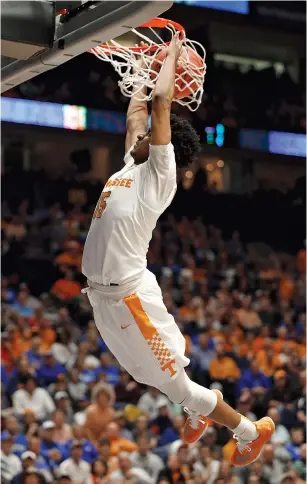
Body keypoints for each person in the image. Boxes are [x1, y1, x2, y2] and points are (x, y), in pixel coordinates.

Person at [82, 33, 274, 467]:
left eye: (149, 134)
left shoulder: (159, 174)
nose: (141, 133)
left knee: (179, 385)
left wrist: (170, 50)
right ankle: (196, 410)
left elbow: (162, 103)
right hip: (104, 295)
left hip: (129, 297)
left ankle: (250, 432)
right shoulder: (134, 161)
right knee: (149, 376)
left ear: (161, 146)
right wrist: (142, 70)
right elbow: (139, 112)